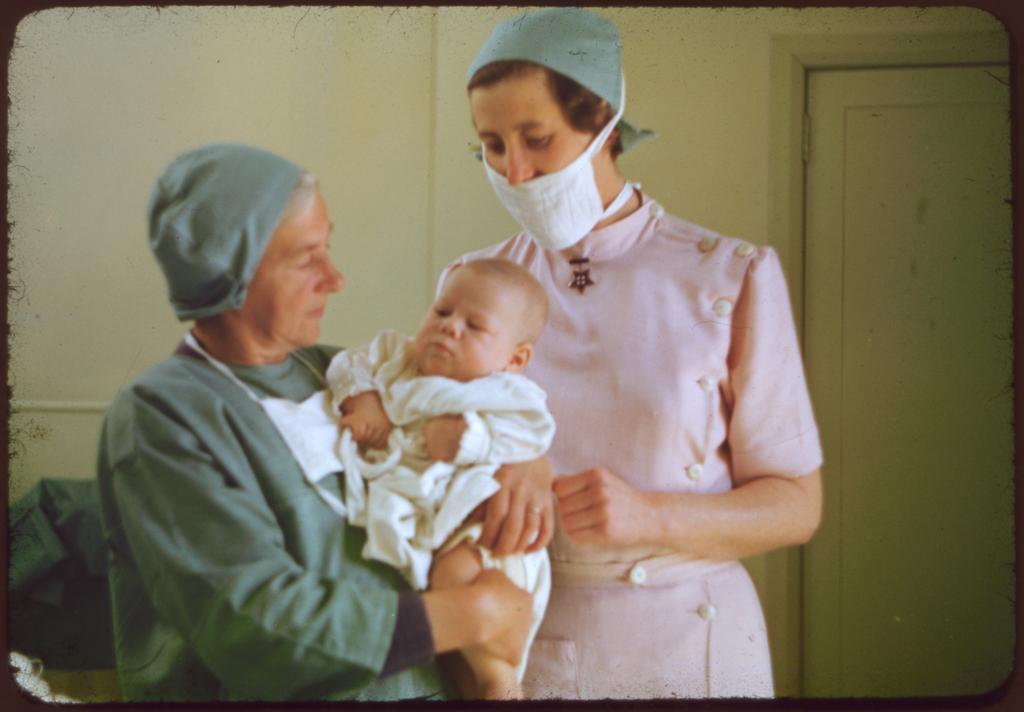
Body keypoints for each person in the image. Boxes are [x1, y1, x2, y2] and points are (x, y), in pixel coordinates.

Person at [447, 8, 824, 699]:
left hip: (696, 639)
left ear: (606, 127)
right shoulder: (474, 284)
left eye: (538, 139)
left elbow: (798, 505)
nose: (516, 170)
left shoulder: (729, 275)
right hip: (528, 637)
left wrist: (652, 515)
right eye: (493, 146)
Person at [96, 143, 550, 702]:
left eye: (327, 248)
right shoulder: (162, 418)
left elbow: (475, 407)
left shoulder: (336, 369)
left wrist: (529, 462)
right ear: (231, 267)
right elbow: (251, 628)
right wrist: (471, 613)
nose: (335, 278)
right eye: (306, 257)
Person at [327, 257, 555, 698]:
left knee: (453, 585)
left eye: (475, 326)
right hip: (427, 520)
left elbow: (533, 432)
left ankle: (500, 681)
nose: (450, 328)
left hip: (480, 527)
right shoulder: (397, 355)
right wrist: (364, 398)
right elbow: (346, 363)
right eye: (442, 312)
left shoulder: (506, 391)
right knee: (449, 657)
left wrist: (470, 437)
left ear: (515, 358)